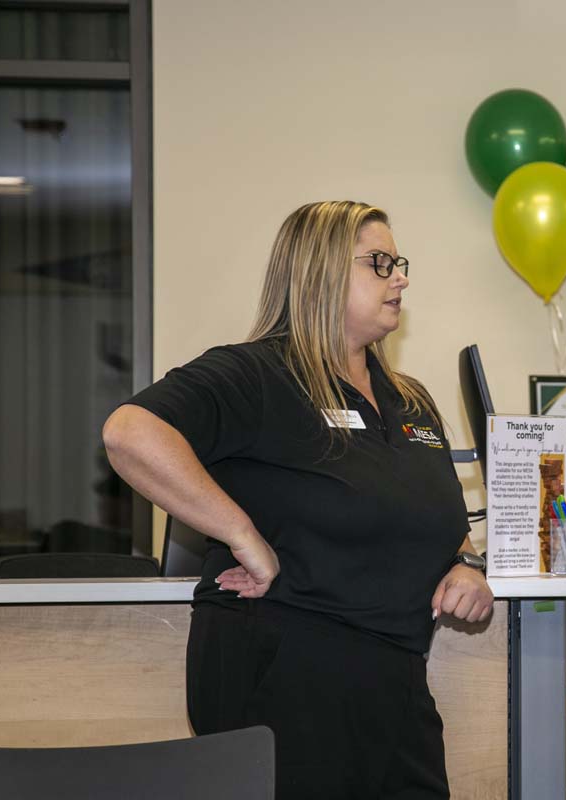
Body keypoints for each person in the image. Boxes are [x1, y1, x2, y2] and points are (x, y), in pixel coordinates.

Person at [102, 200, 493, 799]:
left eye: (400, 262)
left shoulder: (409, 398)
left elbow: (432, 511)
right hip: (283, 663)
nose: (402, 278)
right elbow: (130, 433)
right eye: (380, 263)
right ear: (320, 273)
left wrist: (464, 561)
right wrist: (242, 535)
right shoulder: (257, 374)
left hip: (393, 671)